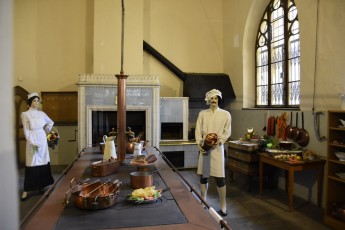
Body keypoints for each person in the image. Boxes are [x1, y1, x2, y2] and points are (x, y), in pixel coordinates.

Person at [195, 89, 231, 216]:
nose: (213, 101)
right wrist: (200, 143)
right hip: (205, 149)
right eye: (211, 99)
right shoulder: (202, 114)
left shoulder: (226, 114)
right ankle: (203, 202)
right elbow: (198, 130)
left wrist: (219, 142)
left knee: (220, 178)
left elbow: (227, 132)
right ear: (208, 100)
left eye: (216, 98)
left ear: (219, 100)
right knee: (204, 176)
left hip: (217, 150)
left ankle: (223, 205)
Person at [20, 92, 55, 201]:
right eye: (34, 101)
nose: (36, 103)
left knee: (43, 161)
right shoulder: (25, 114)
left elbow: (50, 122)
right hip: (32, 139)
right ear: (30, 102)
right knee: (32, 162)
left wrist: (47, 130)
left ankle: (42, 185)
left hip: (42, 138)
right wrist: (31, 141)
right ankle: (26, 190)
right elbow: (26, 130)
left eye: (37, 101)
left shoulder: (41, 113)